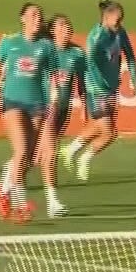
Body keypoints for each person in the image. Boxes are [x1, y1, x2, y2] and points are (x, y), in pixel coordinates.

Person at [0, 3, 57, 222]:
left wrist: (53, 98)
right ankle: (20, 205)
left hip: (37, 104)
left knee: (27, 159)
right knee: (20, 151)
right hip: (13, 102)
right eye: (33, 14)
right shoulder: (10, 43)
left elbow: (53, 75)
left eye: (40, 14)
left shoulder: (46, 46)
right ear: (23, 18)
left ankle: (3, 188)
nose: (38, 18)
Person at [61, 0, 136, 180]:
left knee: (97, 127)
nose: (119, 24)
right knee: (110, 133)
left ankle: (70, 150)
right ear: (107, 18)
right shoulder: (97, 36)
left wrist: (135, 82)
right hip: (96, 88)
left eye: (121, 20)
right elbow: (89, 58)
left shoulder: (120, 33)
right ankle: (85, 159)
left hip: (110, 88)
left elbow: (130, 56)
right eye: (117, 20)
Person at [42, 14, 89, 216]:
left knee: (38, 156)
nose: (67, 28)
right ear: (52, 30)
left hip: (63, 109)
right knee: (50, 152)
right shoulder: (43, 50)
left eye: (68, 25)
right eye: (62, 25)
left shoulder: (77, 53)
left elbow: (82, 81)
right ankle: (53, 201)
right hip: (42, 108)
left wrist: (85, 105)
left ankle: (9, 178)